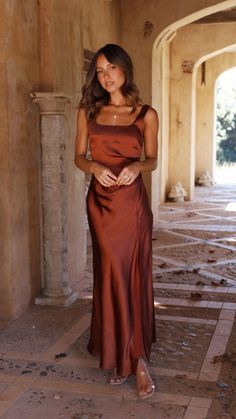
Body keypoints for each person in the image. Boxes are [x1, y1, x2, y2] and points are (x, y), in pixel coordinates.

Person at [75, 43, 158, 399]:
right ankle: (115, 351)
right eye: (100, 70)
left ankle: (137, 360)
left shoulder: (146, 114)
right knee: (110, 272)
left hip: (132, 205)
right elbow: (79, 156)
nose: (106, 76)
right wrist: (93, 166)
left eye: (112, 68)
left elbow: (152, 159)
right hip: (101, 204)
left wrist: (137, 166)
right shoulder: (88, 110)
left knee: (132, 274)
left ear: (126, 69)